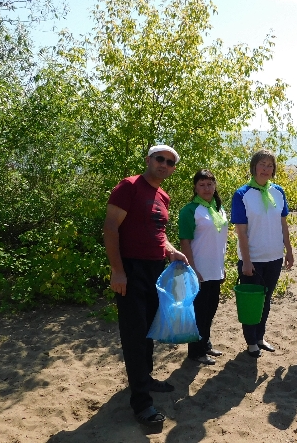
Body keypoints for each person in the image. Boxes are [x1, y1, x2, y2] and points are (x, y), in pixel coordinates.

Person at [103, 144, 188, 429]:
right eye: (159, 159)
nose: (164, 164)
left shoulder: (163, 195)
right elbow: (110, 228)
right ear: (148, 160)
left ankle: (145, 379)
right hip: (131, 269)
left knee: (149, 329)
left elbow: (159, 234)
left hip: (155, 270)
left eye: (170, 162)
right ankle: (141, 402)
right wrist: (118, 270)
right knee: (134, 335)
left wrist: (172, 252)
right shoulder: (128, 186)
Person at [230, 149, 294, 358]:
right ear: (254, 167)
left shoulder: (278, 192)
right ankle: (251, 342)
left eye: (269, 165)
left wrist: (289, 250)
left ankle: (260, 337)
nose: (266, 169)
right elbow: (241, 232)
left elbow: (283, 224)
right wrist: (247, 261)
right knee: (252, 303)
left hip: (274, 257)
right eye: (262, 164)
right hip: (253, 259)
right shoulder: (242, 194)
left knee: (266, 300)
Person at [178, 169, 228, 366]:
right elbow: (185, 242)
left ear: (215, 186)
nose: (206, 188)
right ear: (195, 188)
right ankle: (195, 351)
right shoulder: (190, 210)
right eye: (202, 185)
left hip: (215, 269)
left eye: (209, 184)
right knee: (199, 313)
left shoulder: (218, 208)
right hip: (199, 270)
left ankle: (205, 344)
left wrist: (222, 266)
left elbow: (219, 240)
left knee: (210, 310)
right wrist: (192, 269)